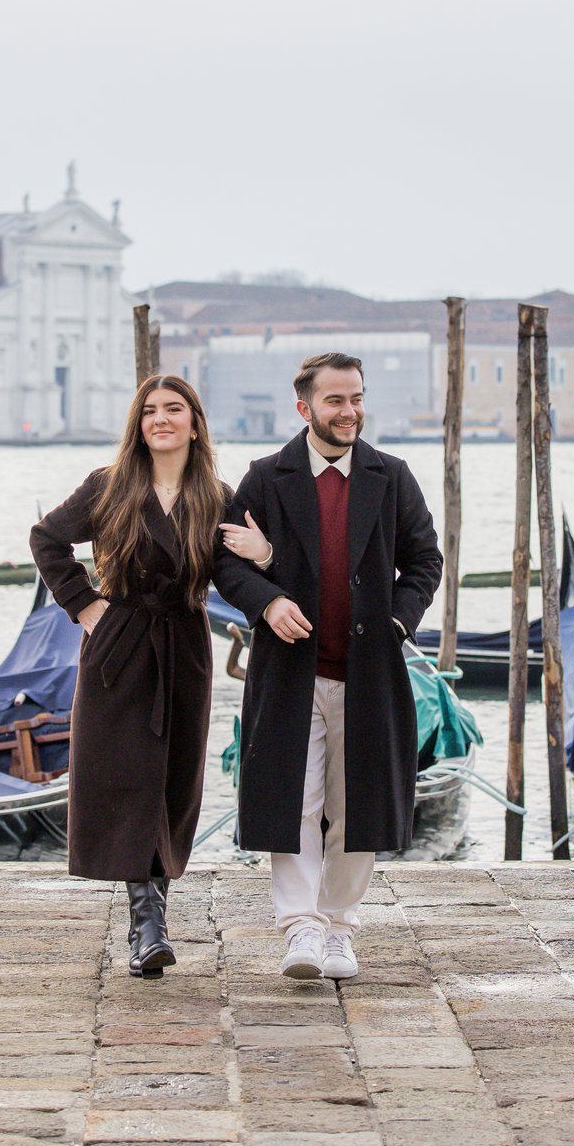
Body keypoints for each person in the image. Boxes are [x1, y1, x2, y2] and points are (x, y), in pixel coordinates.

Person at [213, 352, 442, 980]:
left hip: (369, 671)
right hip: (290, 672)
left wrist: (398, 621)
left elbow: (425, 561)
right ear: (305, 407)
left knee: (357, 802)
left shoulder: (391, 477)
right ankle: (301, 930)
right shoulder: (265, 478)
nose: (350, 412)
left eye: (358, 398)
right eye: (337, 400)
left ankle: (340, 926)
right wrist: (268, 599)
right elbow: (225, 563)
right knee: (296, 798)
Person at [29, 375, 228, 979]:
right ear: (137, 424)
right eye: (149, 411)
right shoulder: (110, 486)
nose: (160, 420)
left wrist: (266, 559)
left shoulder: (216, 495)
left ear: (195, 421)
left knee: (172, 780)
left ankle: (151, 921)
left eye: (173, 409)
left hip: (185, 645)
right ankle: (148, 926)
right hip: (119, 643)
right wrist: (85, 607)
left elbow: (246, 568)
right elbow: (47, 540)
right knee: (127, 777)